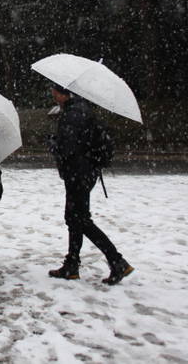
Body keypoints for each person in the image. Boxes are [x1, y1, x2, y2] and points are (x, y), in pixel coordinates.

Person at [46, 83, 134, 285]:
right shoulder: (81, 109)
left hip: (78, 172)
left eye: (54, 91)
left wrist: (53, 143)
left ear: (62, 94)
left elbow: (67, 148)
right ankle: (72, 265)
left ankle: (117, 261)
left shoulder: (73, 114)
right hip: (85, 171)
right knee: (75, 218)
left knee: (80, 219)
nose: (52, 94)